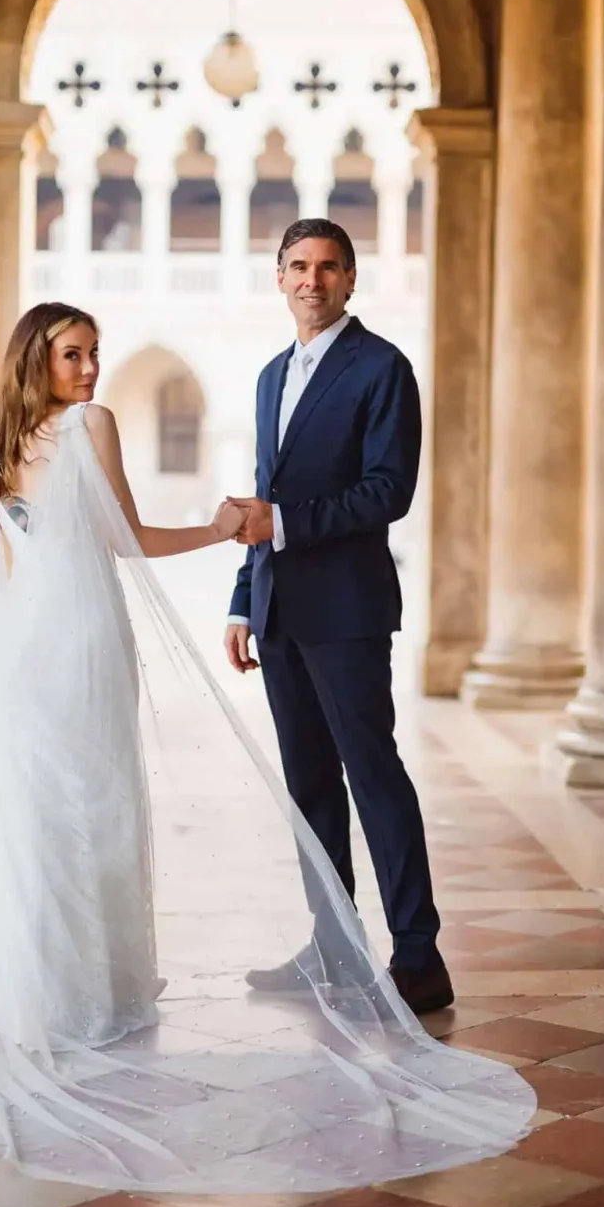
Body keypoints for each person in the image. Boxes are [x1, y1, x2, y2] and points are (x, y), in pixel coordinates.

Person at [0, 300, 533, 1193]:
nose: (93, 371)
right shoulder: (91, 425)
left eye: (96, 354)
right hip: (81, 640)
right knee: (86, 807)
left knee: (41, 808)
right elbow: (128, 543)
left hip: (28, 647)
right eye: (74, 355)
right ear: (37, 358)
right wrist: (224, 533)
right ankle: (95, 993)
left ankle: (42, 996)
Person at [226, 218, 452, 1016]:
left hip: (349, 610)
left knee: (374, 776)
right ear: (278, 278)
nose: (311, 281)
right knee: (310, 786)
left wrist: (281, 526)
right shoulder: (268, 377)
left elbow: (389, 490)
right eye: (297, 266)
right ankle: (335, 942)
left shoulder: (382, 368)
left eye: (328, 267)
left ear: (351, 279)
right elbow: (264, 487)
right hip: (281, 611)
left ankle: (419, 957)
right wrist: (241, 598)